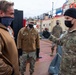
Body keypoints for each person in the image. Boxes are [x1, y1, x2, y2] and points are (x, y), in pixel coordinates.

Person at [49, 8, 76, 75]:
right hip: (62, 70)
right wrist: (49, 36)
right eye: (65, 18)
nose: (65, 21)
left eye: (67, 18)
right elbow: (60, 42)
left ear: (74, 19)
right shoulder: (67, 33)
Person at [0, 0, 20, 75]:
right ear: (1, 13)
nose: (13, 17)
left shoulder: (8, 29)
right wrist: (10, 71)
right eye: (11, 14)